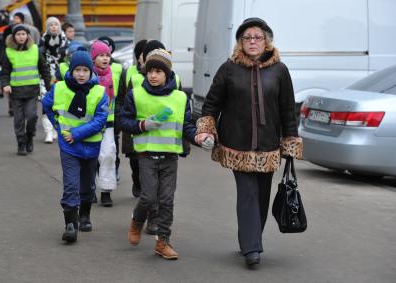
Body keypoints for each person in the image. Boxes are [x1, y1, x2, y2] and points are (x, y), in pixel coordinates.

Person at [195, 18, 303, 268]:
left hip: (268, 146)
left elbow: (288, 110)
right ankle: (252, 248)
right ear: (240, 43)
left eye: (257, 37)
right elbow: (211, 104)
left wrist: (289, 143)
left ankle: (249, 237)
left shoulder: (279, 70)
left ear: (267, 41)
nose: (252, 41)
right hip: (237, 144)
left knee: (262, 197)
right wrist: (206, 130)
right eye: (247, 37)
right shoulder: (228, 68)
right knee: (248, 194)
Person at [119, 48, 208, 260]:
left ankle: (163, 242)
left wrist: (197, 137)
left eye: (158, 71)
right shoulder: (136, 94)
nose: (153, 75)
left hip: (170, 157)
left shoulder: (180, 98)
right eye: (150, 70)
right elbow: (123, 120)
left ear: (167, 74)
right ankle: (137, 221)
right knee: (149, 197)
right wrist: (142, 124)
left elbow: (186, 125)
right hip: (146, 156)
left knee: (167, 200)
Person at [42, 50, 108, 243]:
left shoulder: (100, 92)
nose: (81, 74)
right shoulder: (60, 87)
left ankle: (85, 215)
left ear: (91, 71)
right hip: (69, 147)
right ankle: (70, 225)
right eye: (77, 70)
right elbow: (46, 105)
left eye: (85, 70)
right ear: (71, 70)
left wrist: (76, 134)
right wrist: (59, 127)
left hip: (90, 146)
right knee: (71, 184)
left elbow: (100, 120)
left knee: (87, 184)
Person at [0, 24, 51, 155]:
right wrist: (5, 84)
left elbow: (44, 68)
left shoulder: (35, 49)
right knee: (18, 119)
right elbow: (5, 72)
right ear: (14, 36)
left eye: (23, 34)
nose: (21, 37)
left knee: (32, 116)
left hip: (32, 90)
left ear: (27, 35)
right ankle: (21, 143)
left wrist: (48, 86)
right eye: (18, 34)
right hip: (15, 92)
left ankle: (29, 137)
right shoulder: (8, 51)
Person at [90, 40, 124, 207]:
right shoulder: (87, 74)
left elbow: (119, 97)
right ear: (93, 57)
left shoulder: (115, 73)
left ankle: (105, 191)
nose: (105, 58)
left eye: (107, 55)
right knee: (90, 157)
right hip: (89, 123)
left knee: (109, 154)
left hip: (108, 122)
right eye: (101, 55)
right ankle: (89, 189)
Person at [117, 39, 147, 199]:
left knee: (146, 161)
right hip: (131, 122)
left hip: (148, 126)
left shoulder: (159, 73)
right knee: (134, 160)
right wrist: (122, 117)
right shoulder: (129, 73)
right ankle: (137, 180)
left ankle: (145, 187)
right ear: (138, 56)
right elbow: (121, 98)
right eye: (144, 53)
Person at [39, 16, 69, 143]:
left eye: (56, 24)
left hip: (61, 77)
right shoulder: (42, 41)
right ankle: (48, 132)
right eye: (51, 25)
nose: (53, 27)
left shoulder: (65, 41)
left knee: (61, 105)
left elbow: (68, 61)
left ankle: (57, 129)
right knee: (46, 103)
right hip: (45, 76)